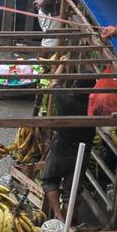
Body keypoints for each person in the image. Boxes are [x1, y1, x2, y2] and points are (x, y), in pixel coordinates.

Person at [40, 83, 95, 222]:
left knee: (50, 180)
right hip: (81, 154)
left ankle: (58, 214)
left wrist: (62, 64)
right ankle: (69, 219)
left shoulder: (66, 101)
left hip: (61, 149)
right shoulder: (93, 108)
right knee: (72, 190)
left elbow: (53, 83)